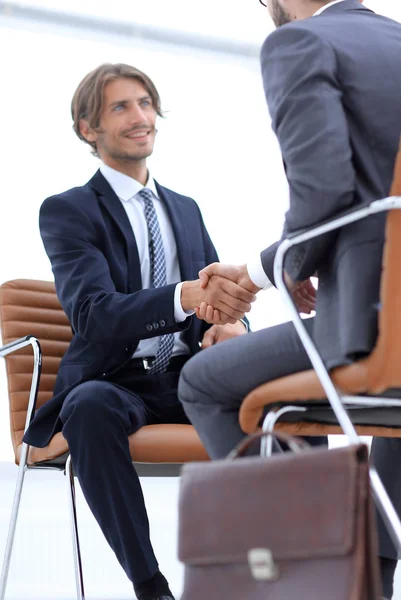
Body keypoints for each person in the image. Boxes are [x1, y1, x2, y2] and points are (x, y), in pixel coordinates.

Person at [177, 1, 401, 598]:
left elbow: (324, 193)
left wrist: (259, 273)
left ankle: (305, 578)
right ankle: (366, 580)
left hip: (374, 327)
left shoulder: (300, 44)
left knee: (204, 382)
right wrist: (301, 257)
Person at [22, 63, 255, 600]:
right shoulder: (69, 211)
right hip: (116, 380)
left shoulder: (186, 209)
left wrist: (233, 326)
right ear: (88, 129)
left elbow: (215, 297)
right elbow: (94, 314)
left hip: (186, 378)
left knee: (283, 393)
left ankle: (303, 564)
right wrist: (183, 298)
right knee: (91, 408)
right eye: (121, 107)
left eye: (146, 103)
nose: (140, 116)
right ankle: (151, 587)